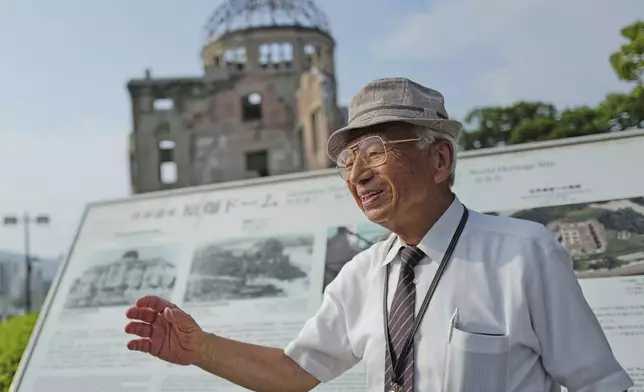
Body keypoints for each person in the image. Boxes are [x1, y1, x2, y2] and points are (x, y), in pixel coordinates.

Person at [124, 77, 634, 392]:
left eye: (375, 150)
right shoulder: (363, 274)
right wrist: (200, 349)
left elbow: (600, 384)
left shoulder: (523, 253)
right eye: (348, 159)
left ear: (440, 159)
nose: (357, 173)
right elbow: (293, 372)